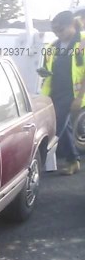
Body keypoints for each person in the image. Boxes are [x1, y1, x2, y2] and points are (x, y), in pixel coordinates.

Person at [40, 11, 85, 175]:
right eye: (55, 31)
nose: (58, 34)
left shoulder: (83, 42)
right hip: (54, 92)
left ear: (72, 25)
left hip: (73, 93)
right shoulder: (53, 46)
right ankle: (73, 161)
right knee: (64, 127)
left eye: (61, 30)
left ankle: (39, 162)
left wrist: (79, 98)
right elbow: (47, 72)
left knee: (55, 127)